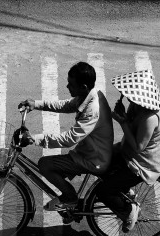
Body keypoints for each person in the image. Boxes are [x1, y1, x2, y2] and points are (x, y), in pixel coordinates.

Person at [17, 61, 114, 217]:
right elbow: (67, 105)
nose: (68, 87)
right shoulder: (89, 95)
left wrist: (33, 139)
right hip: (89, 151)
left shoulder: (92, 109)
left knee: (45, 164)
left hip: (93, 158)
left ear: (83, 87)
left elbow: (69, 139)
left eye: (71, 84)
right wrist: (36, 104)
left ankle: (70, 198)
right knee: (52, 165)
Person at [98, 69, 160, 232]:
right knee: (98, 161)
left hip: (140, 165)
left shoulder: (150, 118)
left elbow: (139, 147)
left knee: (103, 191)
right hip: (127, 153)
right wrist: (122, 115)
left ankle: (128, 212)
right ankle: (125, 191)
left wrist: (122, 122)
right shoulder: (136, 107)